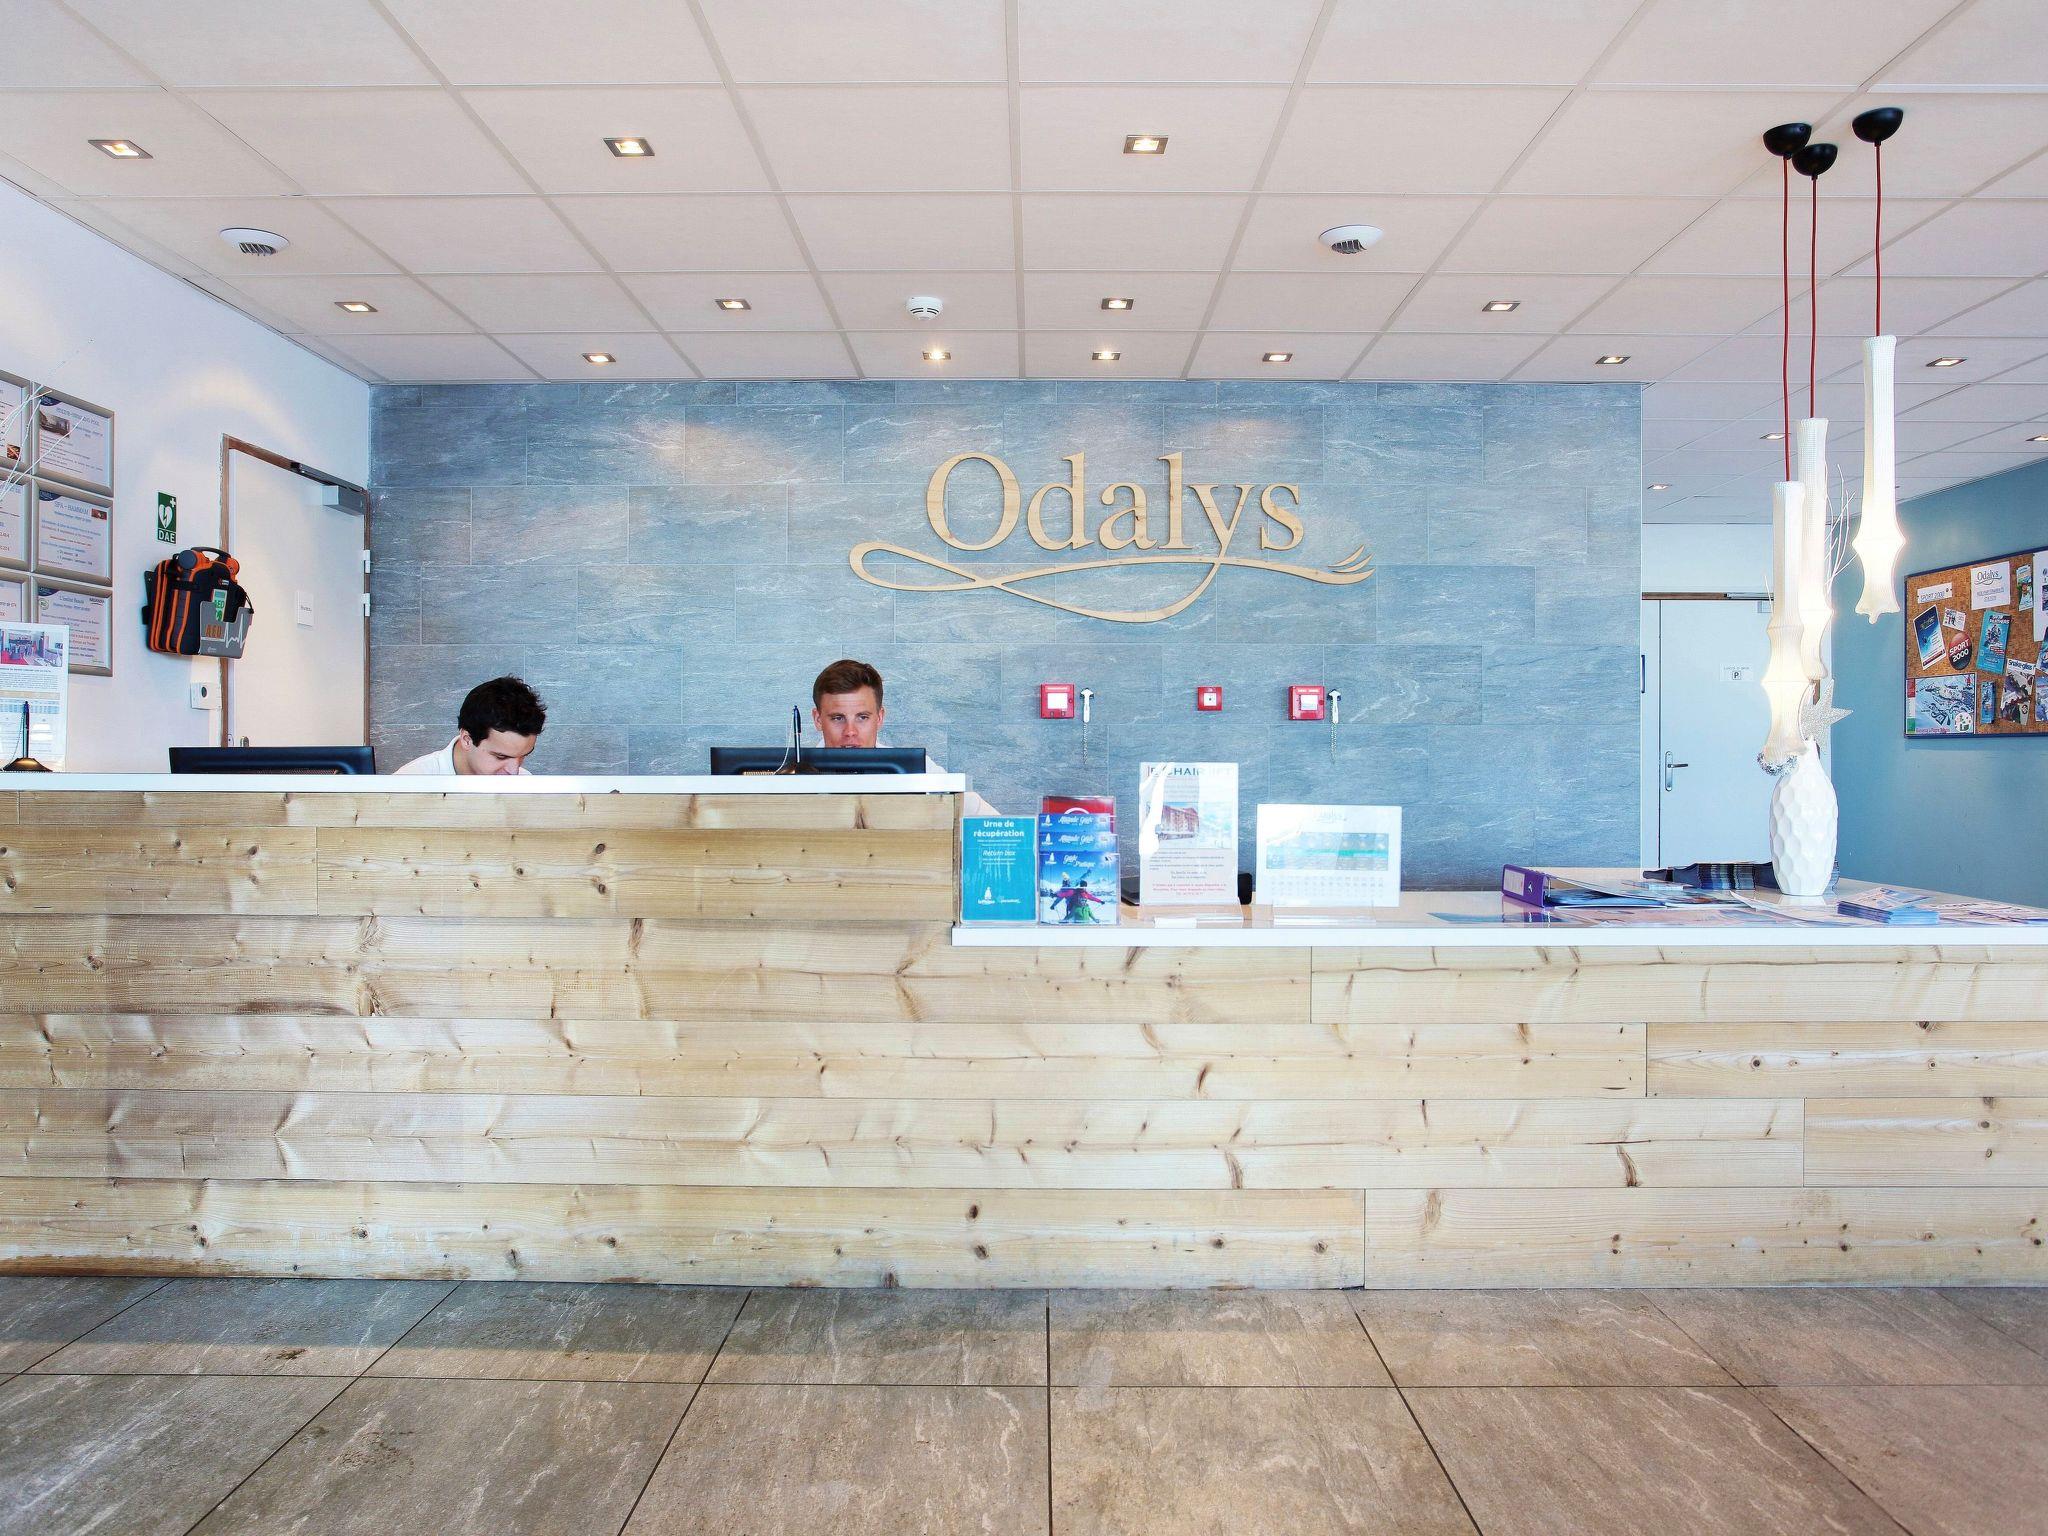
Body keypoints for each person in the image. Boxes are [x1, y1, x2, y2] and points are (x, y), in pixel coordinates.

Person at [811, 658, 997, 812]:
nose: (850, 731)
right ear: (818, 719)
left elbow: (989, 822)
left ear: (880, 718)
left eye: (862, 717)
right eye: (837, 718)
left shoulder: (915, 769)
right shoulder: (796, 776)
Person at [394, 675, 546, 776]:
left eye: (523, 756)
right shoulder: (409, 783)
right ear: (467, 739)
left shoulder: (526, 785)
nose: (514, 772)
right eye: (501, 757)